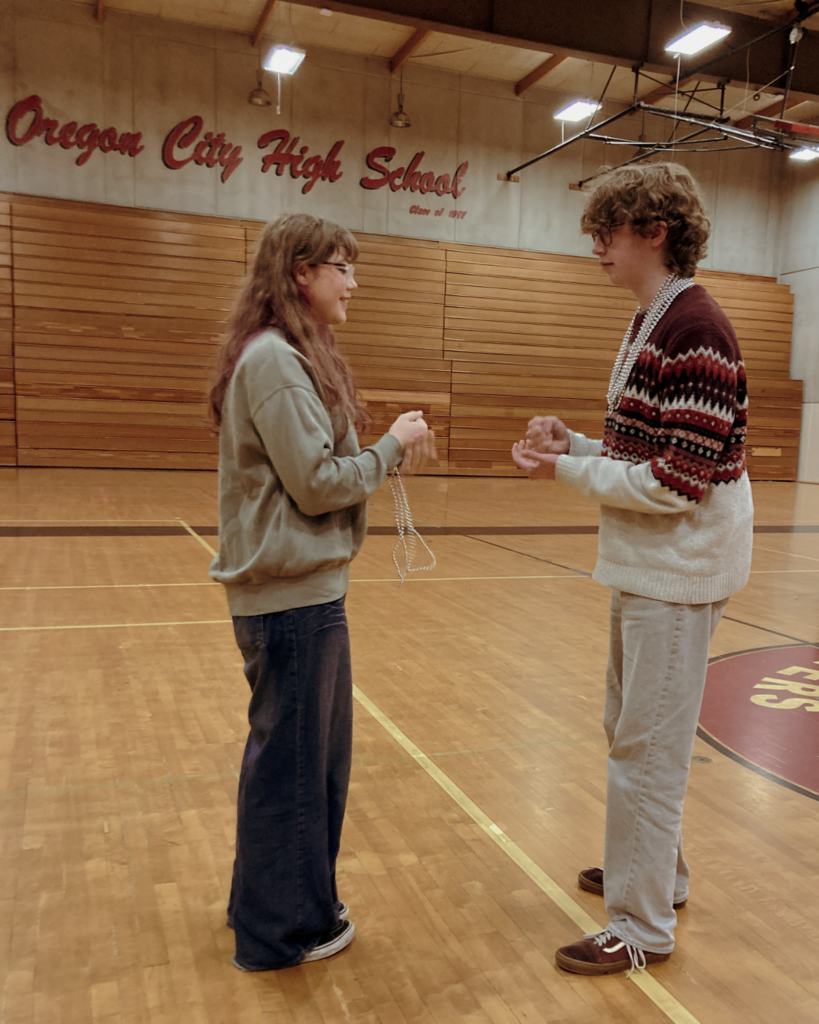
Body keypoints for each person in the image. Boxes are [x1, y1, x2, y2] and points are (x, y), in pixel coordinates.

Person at [512, 162, 753, 975]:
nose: (594, 251)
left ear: (653, 232)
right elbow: (643, 448)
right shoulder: (655, 318)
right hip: (649, 564)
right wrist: (574, 443)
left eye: (603, 234)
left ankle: (642, 925)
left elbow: (675, 483)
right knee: (632, 733)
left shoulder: (697, 331)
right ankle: (660, 874)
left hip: (677, 568)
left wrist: (566, 472)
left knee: (645, 751)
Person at [207, 213, 433, 972]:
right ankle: (281, 933)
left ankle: (264, 908)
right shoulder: (273, 360)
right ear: (302, 272)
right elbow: (314, 484)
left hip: (299, 596)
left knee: (295, 766)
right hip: (292, 602)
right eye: (342, 266)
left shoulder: (284, 354)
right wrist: (390, 448)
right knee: (298, 773)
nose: (353, 282)